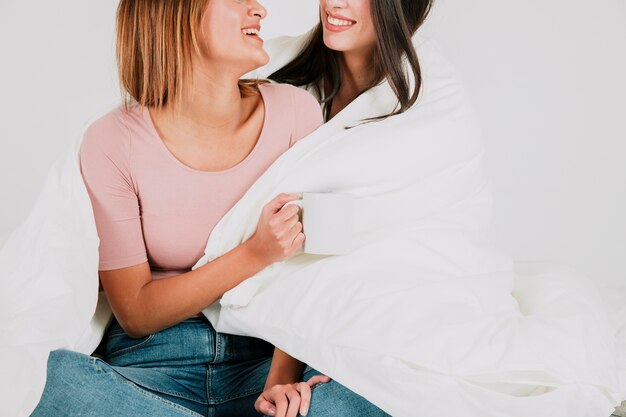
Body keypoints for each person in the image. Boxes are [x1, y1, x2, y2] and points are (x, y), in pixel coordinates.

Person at [31, 0, 331, 416]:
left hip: (264, 359)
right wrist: (255, 252)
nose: (259, 9)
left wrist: (282, 380)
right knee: (65, 382)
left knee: (360, 396)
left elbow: (311, 271)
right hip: (151, 366)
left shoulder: (296, 112)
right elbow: (135, 311)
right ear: (177, 16)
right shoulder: (112, 141)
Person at [252, 0, 433, 416]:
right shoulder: (283, 79)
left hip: (377, 315)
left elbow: (372, 254)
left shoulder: (425, 107)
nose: (335, 2)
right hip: (272, 325)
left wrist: (283, 377)